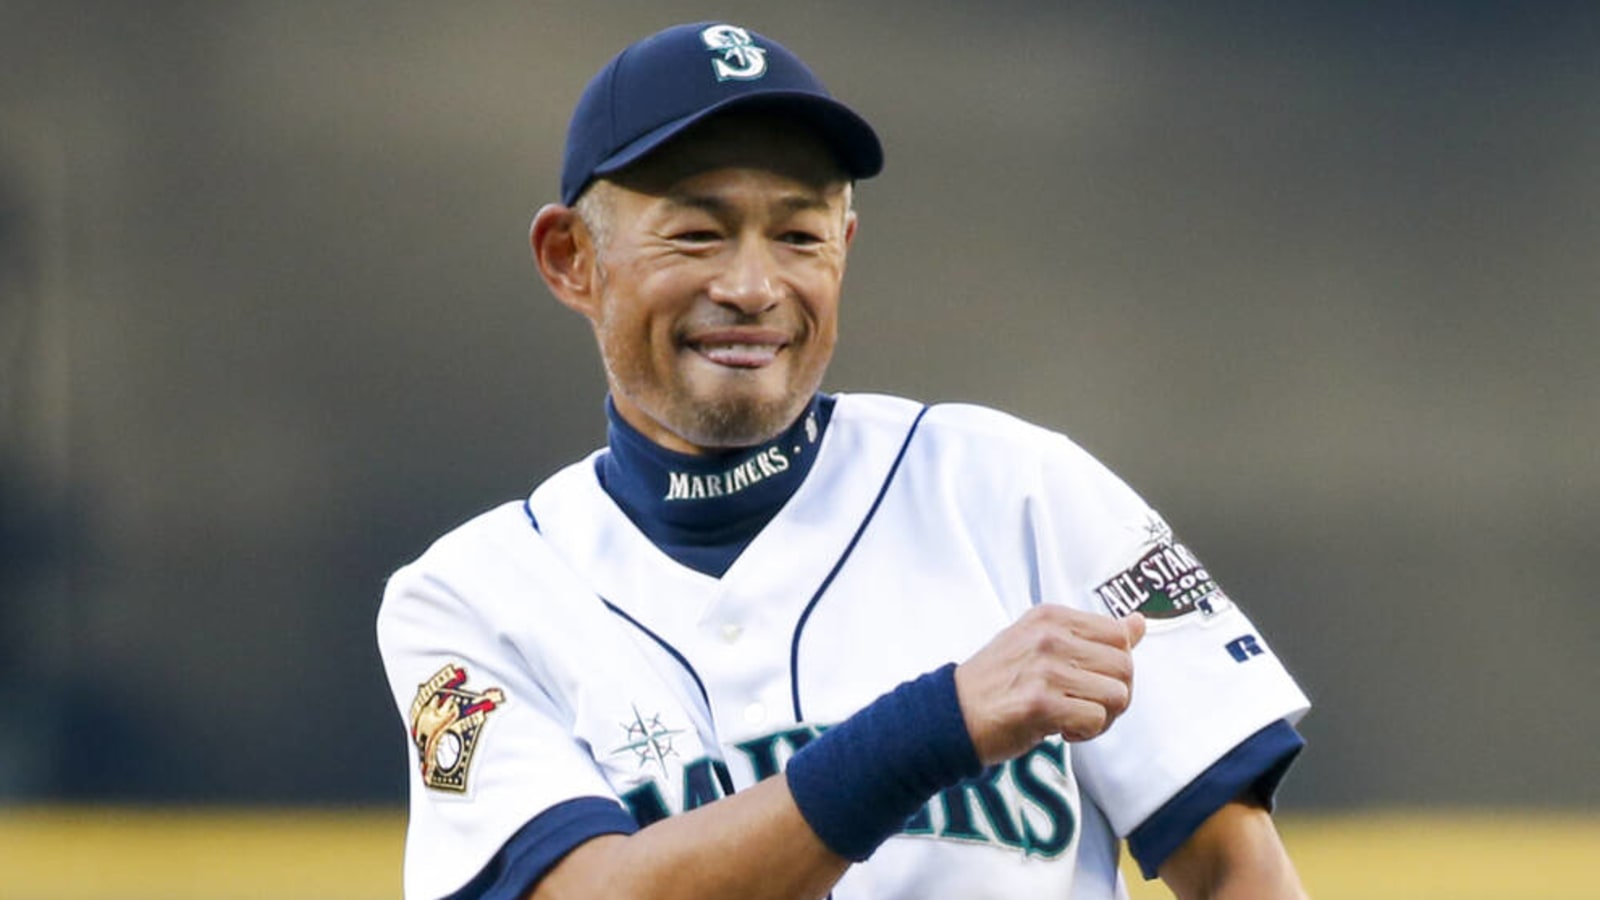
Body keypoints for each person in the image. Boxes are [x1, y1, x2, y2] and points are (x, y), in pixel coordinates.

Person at [378, 21, 1311, 900]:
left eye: (798, 235)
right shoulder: (471, 599)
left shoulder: (1016, 489)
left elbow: (1239, 872)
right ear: (572, 258)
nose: (751, 286)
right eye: (697, 232)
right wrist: (936, 726)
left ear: (845, 251)